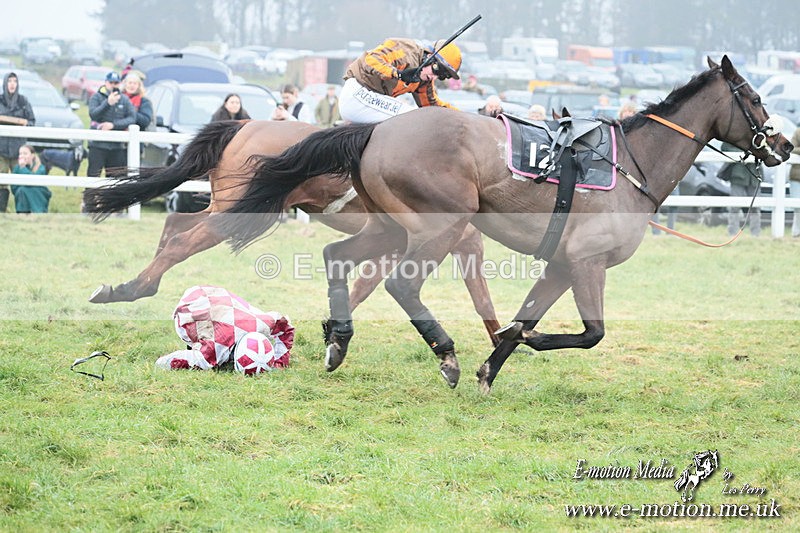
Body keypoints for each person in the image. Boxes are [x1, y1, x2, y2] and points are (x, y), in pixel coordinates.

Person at [339, 38, 462, 124]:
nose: (434, 77)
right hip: (357, 93)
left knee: (421, 117)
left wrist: (463, 117)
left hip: (372, 101)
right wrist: (398, 74)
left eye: (442, 76)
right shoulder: (406, 50)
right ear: (430, 56)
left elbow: (432, 106)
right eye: (437, 70)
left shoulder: (424, 79)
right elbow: (371, 59)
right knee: (413, 117)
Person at [87, 71, 136, 177]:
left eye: (116, 83)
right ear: (106, 83)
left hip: (116, 146)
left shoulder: (124, 99)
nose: (113, 85)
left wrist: (113, 125)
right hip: (97, 145)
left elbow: (132, 118)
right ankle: (90, 194)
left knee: (115, 180)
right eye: (111, 83)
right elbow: (93, 115)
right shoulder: (96, 97)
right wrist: (107, 104)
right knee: (93, 176)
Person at [0, 72, 35, 212]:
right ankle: (2, 210)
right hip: (1, 149)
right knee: (1, 182)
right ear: (5, 83)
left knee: (20, 180)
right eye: (9, 81)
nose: (12, 84)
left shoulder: (23, 102)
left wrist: (26, 123)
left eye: (15, 81)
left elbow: (32, 122)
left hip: (18, 150)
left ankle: (22, 210)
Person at [720, 141, 762, 237]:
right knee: (735, 206)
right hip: (738, 174)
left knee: (755, 207)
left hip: (754, 175)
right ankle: (732, 233)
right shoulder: (735, 133)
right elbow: (725, 148)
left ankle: (755, 234)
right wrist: (744, 153)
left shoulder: (760, 133)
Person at [11, 144, 50, 214]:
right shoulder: (17, 168)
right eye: (20, 154)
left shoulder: (40, 167)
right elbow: (13, 188)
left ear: (32, 155)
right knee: (21, 190)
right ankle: (22, 213)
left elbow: (34, 182)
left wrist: (23, 168)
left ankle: (38, 212)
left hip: (39, 191)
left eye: (25, 153)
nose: (22, 156)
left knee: (29, 190)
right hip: (22, 193)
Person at [790, 125, 800, 238]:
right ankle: (796, 232)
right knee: (797, 207)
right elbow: (791, 148)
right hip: (796, 176)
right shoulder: (798, 132)